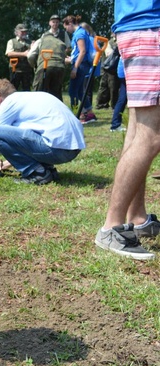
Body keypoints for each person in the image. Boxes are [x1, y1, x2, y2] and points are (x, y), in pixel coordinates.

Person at [94, 2, 160, 260]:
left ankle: (136, 217)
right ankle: (112, 226)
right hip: (149, 27)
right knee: (152, 136)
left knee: (138, 129)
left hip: (138, 27)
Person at [0, 79, 85, 185]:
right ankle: (46, 169)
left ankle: (38, 173)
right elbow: (25, 143)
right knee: (24, 132)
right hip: (73, 149)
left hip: (56, 150)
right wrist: (5, 164)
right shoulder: (30, 98)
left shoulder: (8, 103)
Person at [28, 14, 70, 101]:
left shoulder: (42, 39)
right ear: (50, 23)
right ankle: (58, 112)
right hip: (60, 66)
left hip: (45, 66)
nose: (55, 24)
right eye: (53, 22)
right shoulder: (52, 38)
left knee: (39, 91)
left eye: (57, 22)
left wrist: (35, 66)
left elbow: (30, 55)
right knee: (56, 92)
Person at [63, 15, 96, 124]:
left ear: (70, 24)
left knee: (72, 91)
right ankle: (90, 114)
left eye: (66, 27)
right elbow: (78, 52)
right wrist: (71, 59)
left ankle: (77, 115)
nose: (66, 30)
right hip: (80, 63)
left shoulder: (80, 33)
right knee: (80, 92)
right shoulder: (80, 33)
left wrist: (75, 68)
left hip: (81, 65)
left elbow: (82, 51)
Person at [5, 23, 33, 91]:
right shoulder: (11, 41)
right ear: (16, 32)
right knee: (13, 89)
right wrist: (23, 54)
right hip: (15, 69)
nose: (24, 33)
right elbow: (9, 53)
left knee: (27, 89)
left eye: (25, 31)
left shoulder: (30, 42)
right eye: (22, 31)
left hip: (27, 69)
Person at [109, 57, 126, 132]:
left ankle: (115, 124)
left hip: (123, 71)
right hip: (127, 72)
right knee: (122, 99)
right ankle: (115, 124)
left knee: (122, 99)